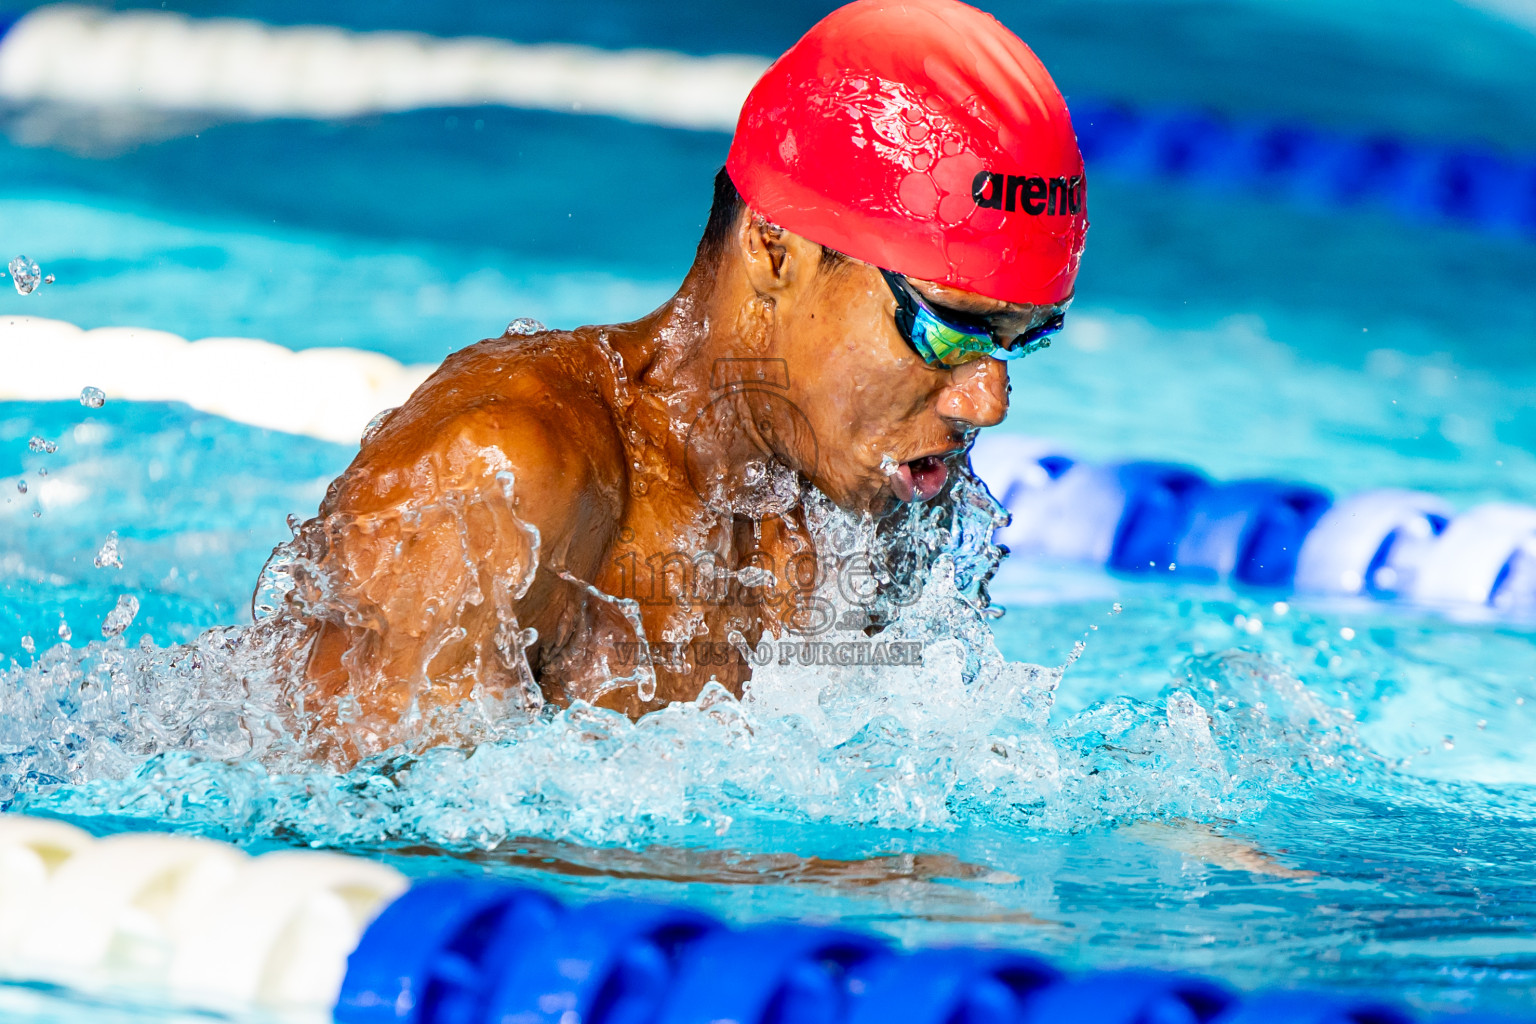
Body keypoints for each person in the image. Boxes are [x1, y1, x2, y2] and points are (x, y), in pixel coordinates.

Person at [266, 0, 1087, 758]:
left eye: (1022, 340)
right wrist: (830, 872)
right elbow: (370, 847)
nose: (987, 401)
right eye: (945, 328)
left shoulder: (878, 483)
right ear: (774, 251)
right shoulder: (510, 476)